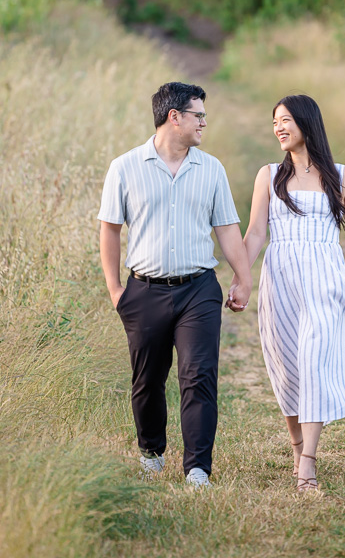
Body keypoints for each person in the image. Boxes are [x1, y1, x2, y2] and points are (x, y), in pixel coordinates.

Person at [231, 94, 345, 492]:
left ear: (307, 122)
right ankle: (296, 444)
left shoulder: (342, 176)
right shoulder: (268, 175)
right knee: (287, 366)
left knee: (314, 361)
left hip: (324, 279)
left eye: (285, 120)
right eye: (274, 123)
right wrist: (240, 278)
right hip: (280, 279)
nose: (279, 128)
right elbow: (255, 234)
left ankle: (308, 464)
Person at [98, 81, 251, 488]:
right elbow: (110, 230)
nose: (204, 122)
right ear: (174, 117)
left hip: (198, 289)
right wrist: (116, 290)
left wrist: (244, 277)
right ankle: (152, 451)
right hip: (143, 290)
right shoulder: (125, 167)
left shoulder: (211, 169)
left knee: (198, 374)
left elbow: (228, 229)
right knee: (147, 379)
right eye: (198, 115)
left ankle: (197, 467)